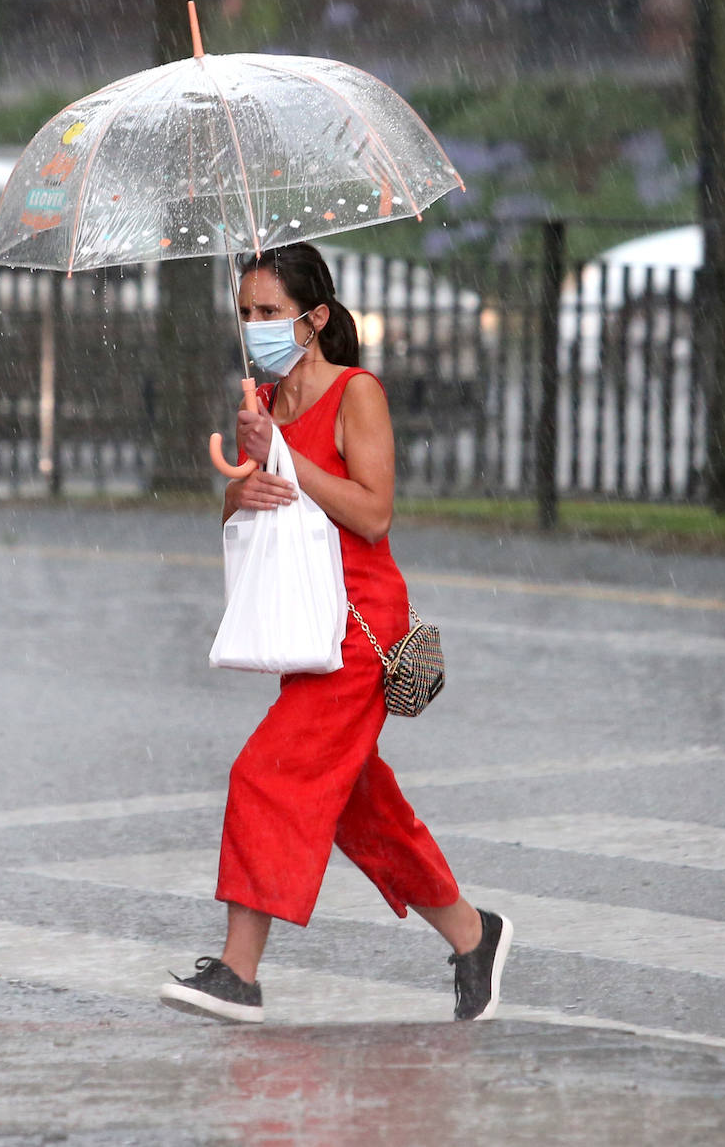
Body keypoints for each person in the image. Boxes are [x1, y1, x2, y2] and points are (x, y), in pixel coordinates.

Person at [159, 243, 512, 1025]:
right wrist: (243, 489)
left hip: (359, 628)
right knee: (356, 802)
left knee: (268, 773)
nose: (255, 327)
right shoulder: (264, 406)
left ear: (314, 320)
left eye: (270, 313)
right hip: (301, 623)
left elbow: (374, 513)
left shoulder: (358, 394)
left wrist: (285, 459)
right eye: (246, 314)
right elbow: (252, 511)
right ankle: (471, 933)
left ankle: (239, 973)